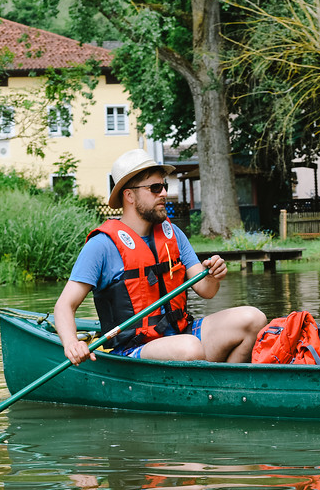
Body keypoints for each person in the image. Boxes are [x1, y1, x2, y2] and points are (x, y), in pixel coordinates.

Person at [54, 148, 267, 365]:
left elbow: (207, 290)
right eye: (155, 188)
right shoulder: (101, 245)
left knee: (254, 319)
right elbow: (64, 306)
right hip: (133, 348)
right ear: (129, 196)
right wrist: (72, 343)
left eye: (164, 186)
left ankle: (228, 382)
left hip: (183, 335)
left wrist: (213, 276)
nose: (164, 193)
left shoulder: (173, 234)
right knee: (189, 347)